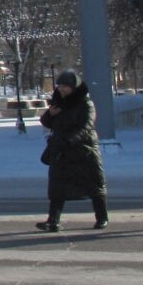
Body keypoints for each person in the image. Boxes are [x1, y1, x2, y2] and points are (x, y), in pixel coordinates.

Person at [36, 69, 109, 232]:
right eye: (59, 86)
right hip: (61, 151)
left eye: (65, 86)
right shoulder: (58, 103)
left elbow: (86, 126)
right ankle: (53, 221)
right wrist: (50, 114)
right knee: (57, 186)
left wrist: (70, 139)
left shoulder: (85, 103)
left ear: (74, 87)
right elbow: (47, 122)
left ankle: (102, 217)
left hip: (84, 150)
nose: (61, 89)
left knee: (94, 184)